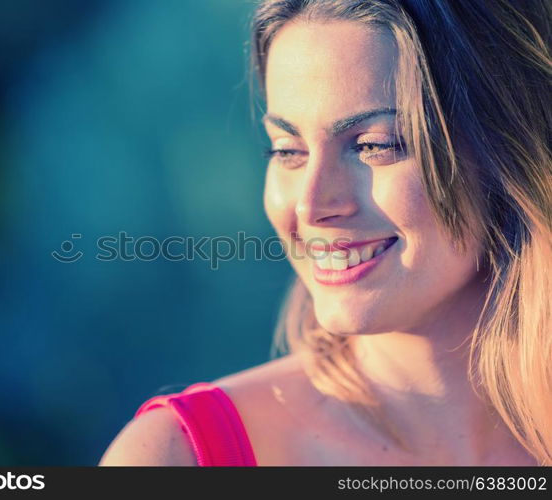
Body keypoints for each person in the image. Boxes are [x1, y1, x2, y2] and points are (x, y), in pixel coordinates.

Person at [99, 0, 552, 466]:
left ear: (511, 153)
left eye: (374, 145)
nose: (311, 206)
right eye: (288, 150)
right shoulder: (179, 457)